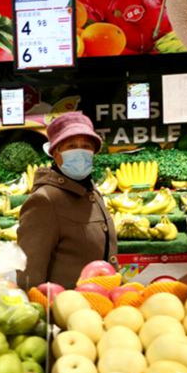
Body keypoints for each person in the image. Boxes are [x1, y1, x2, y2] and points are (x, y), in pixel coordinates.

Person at [17, 111, 118, 289]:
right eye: (71, 146)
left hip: (98, 300)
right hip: (65, 303)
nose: (80, 152)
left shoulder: (92, 191)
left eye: (86, 146)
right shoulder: (45, 200)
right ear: (55, 153)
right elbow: (29, 274)